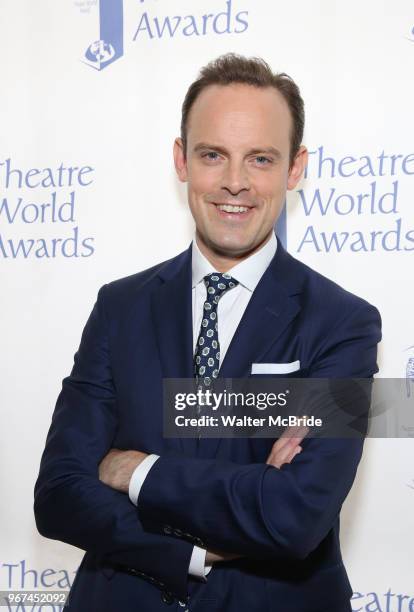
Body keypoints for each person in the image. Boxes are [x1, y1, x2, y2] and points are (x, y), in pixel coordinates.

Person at [34, 54, 381, 612]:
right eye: (213, 155)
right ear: (182, 160)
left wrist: (134, 469)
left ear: (295, 169)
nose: (235, 182)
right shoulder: (119, 306)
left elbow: (295, 516)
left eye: (261, 158)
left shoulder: (345, 324)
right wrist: (202, 549)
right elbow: (59, 496)